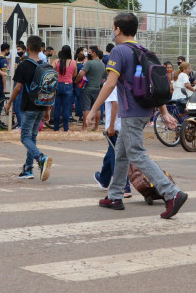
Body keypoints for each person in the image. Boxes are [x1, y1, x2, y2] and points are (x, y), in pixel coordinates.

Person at [87, 12, 186, 218]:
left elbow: (110, 83)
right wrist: (164, 112)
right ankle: (115, 196)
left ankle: (172, 193)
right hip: (144, 109)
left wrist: (94, 109)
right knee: (121, 153)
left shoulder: (119, 51)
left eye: (113, 27)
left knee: (136, 154)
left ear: (117, 29)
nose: (112, 31)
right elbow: (157, 84)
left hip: (132, 111)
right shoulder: (143, 49)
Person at [4, 35, 53, 182]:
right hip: (41, 106)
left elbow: (18, 88)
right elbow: (49, 90)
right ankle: (28, 169)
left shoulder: (24, 65)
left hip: (28, 106)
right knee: (32, 138)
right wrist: (47, 110)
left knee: (25, 137)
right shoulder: (46, 66)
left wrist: (9, 103)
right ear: (40, 49)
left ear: (28, 48)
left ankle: (41, 158)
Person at [93, 85, 131, 198]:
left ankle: (124, 185)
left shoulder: (110, 85)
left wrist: (111, 126)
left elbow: (115, 104)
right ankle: (104, 180)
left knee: (116, 156)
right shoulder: (124, 83)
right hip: (125, 125)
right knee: (111, 153)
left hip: (115, 127)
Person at [76, 45, 105, 131]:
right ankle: (96, 127)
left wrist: (77, 81)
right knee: (97, 109)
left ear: (94, 53)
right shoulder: (102, 64)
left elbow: (81, 74)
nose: (88, 53)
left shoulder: (89, 63)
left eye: (89, 52)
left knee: (86, 108)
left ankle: (84, 128)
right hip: (97, 88)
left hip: (87, 89)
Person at [52, 45, 76, 132]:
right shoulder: (73, 62)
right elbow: (74, 74)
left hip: (58, 85)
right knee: (66, 108)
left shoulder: (56, 61)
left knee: (57, 108)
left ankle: (56, 128)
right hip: (68, 86)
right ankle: (66, 128)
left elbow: (51, 71)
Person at [73, 51, 87, 122]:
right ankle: (81, 115)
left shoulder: (74, 65)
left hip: (74, 84)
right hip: (80, 84)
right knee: (80, 99)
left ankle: (77, 112)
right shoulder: (82, 66)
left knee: (75, 99)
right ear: (83, 59)